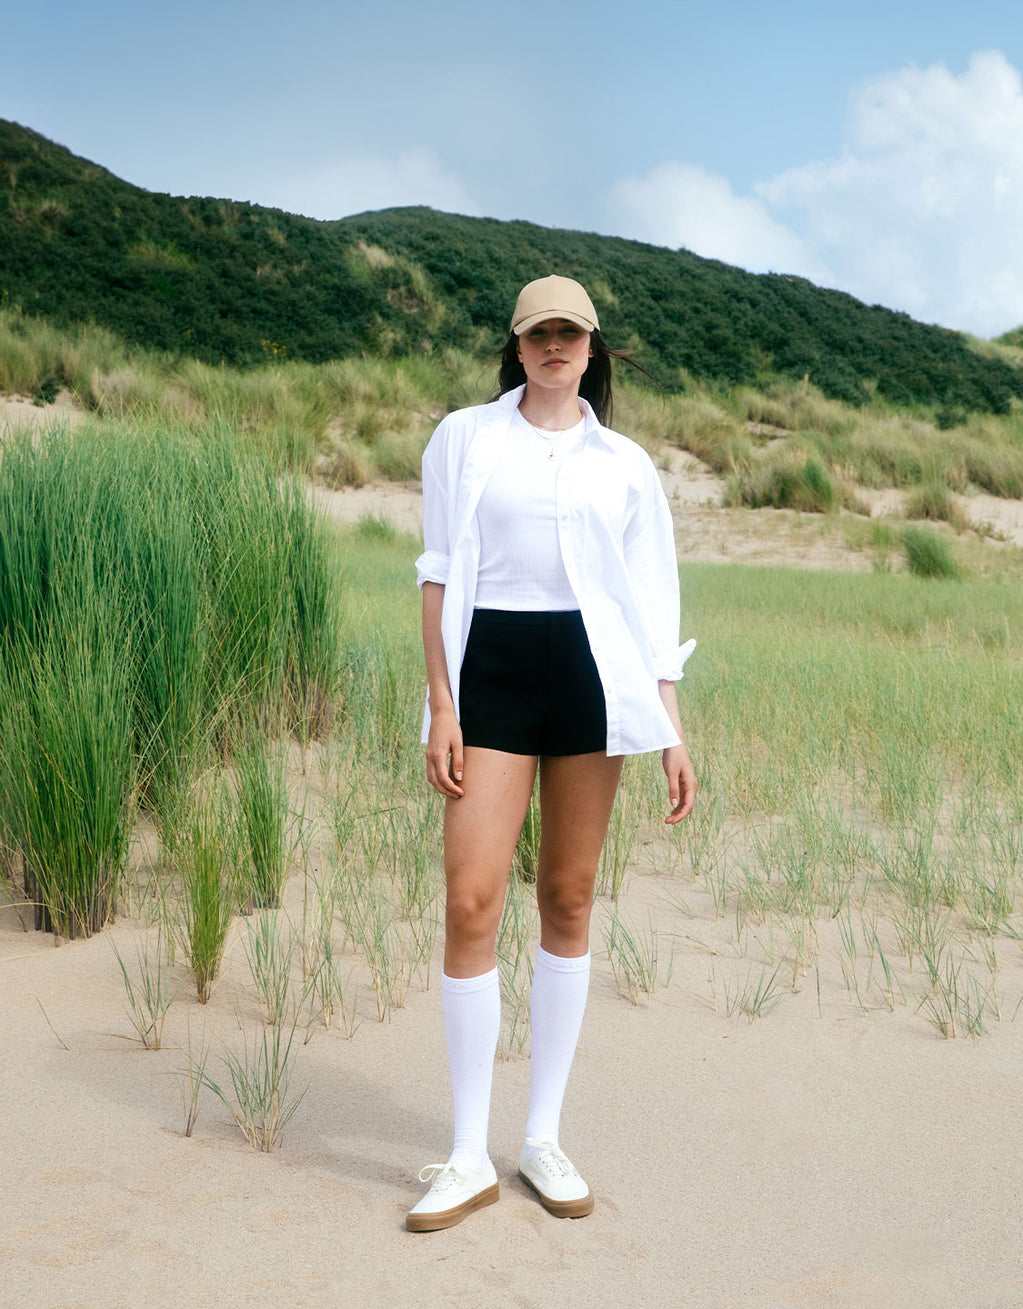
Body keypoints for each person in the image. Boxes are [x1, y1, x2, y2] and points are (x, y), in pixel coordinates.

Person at [407, 274, 696, 1233]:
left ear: (593, 346)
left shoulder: (626, 464)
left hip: (589, 673)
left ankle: (540, 1137)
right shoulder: (464, 437)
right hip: (487, 670)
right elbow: (439, 570)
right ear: (517, 344)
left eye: (571, 333)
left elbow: (650, 599)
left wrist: (670, 728)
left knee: (568, 895)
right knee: (470, 895)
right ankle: (463, 1154)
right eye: (539, 333)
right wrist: (441, 702)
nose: (555, 346)